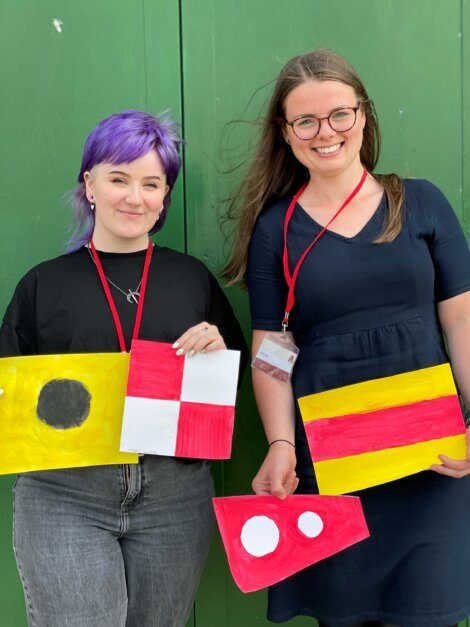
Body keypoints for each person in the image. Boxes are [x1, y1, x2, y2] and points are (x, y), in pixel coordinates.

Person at [223, 49, 470, 627]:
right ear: (286, 134)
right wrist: (281, 444)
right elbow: (271, 349)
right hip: (333, 468)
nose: (325, 132)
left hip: (432, 461)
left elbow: (461, 319)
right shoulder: (275, 228)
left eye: (339, 114)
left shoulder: (422, 202)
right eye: (305, 121)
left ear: (363, 116)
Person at [0, 110, 247, 627]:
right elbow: (11, 397)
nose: (134, 197)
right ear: (89, 184)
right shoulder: (43, 286)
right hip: (65, 491)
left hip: (174, 494)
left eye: (151, 184)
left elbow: (232, 380)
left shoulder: (191, 279)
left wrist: (216, 350)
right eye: (119, 179)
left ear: (163, 198)